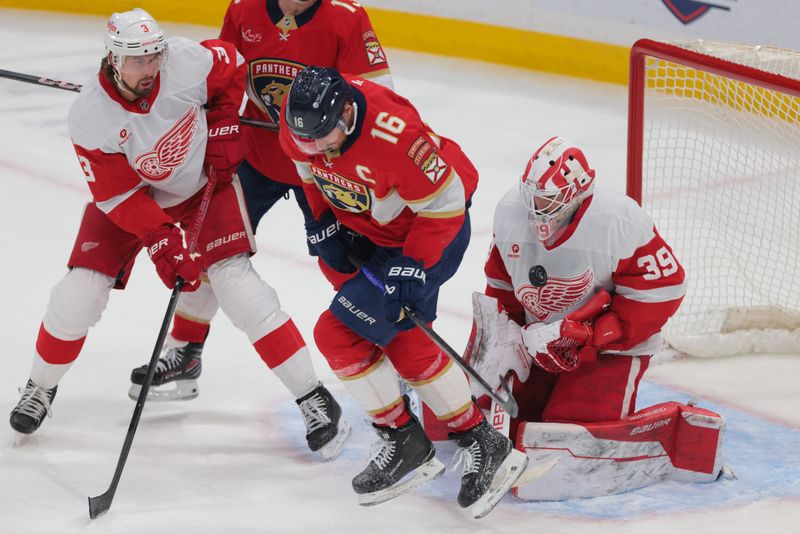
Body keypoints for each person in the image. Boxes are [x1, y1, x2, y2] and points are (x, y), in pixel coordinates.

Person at [9, 8, 349, 460]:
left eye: (154, 56)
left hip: (200, 186)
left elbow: (231, 65)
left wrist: (226, 115)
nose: (150, 68)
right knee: (79, 293)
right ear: (113, 59)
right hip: (134, 201)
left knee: (239, 287)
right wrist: (164, 240)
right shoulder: (89, 116)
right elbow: (121, 198)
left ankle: (313, 398)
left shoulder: (185, 62)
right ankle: (40, 387)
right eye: (137, 60)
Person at [277, 65, 528, 519]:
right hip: (370, 232)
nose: (314, 149)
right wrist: (320, 219)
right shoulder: (301, 119)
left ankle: (407, 439)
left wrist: (414, 266)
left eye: (322, 138)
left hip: (425, 235)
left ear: (347, 112)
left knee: (339, 334)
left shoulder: (395, 136)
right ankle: (478, 442)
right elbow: (306, 170)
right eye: (305, 139)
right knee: (400, 335)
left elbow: (447, 203)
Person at [128, 0, 394, 402]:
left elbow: (376, 97)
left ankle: (391, 349)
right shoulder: (244, 9)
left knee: (345, 261)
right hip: (254, 158)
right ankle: (184, 351)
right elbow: (217, 76)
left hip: (321, 169)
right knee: (210, 250)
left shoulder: (346, 17)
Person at [466, 136, 726, 500]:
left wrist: (589, 335)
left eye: (546, 201)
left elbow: (663, 290)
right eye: (532, 198)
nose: (535, 210)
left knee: (564, 434)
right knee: (491, 416)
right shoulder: (511, 209)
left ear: (575, 194)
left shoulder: (617, 219)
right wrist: (507, 336)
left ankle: (669, 436)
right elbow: (501, 282)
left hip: (608, 347)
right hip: (538, 339)